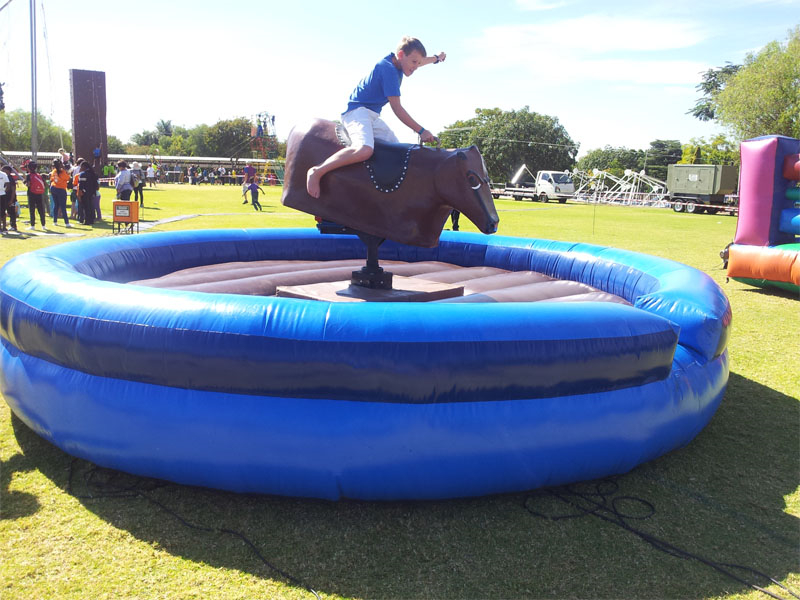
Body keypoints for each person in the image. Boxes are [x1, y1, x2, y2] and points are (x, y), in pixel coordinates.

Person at [306, 36, 446, 198]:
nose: (416, 67)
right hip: (357, 111)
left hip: (372, 115)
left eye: (418, 63)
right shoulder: (388, 70)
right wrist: (421, 131)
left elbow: (422, 60)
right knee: (364, 149)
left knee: (397, 150)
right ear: (401, 55)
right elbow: (397, 109)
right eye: (414, 62)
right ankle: (317, 171)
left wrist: (437, 59)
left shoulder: (400, 63)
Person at [23, 161, 47, 230]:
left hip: (31, 194)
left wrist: (24, 183)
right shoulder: (39, 175)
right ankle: (43, 225)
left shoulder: (29, 175)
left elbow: (28, 185)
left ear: (29, 167)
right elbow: (45, 184)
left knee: (32, 210)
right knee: (41, 210)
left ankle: (32, 225)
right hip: (39, 194)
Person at [49, 158, 72, 228]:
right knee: (63, 206)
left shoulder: (53, 171)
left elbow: (52, 179)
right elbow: (68, 178)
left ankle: (55, 221)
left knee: (56, 205)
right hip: (61, 189)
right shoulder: (62, 172)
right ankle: (66, 222)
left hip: (53, 188)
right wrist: (66, 170)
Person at [0, 165, 17, 232]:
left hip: (9, 197)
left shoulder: (10, 178)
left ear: (8, 171)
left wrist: (11, 199)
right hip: (5, 197)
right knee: (3, 211)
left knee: (11, 212)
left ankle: (13, 225)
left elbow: (13, 189)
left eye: (3, 170)